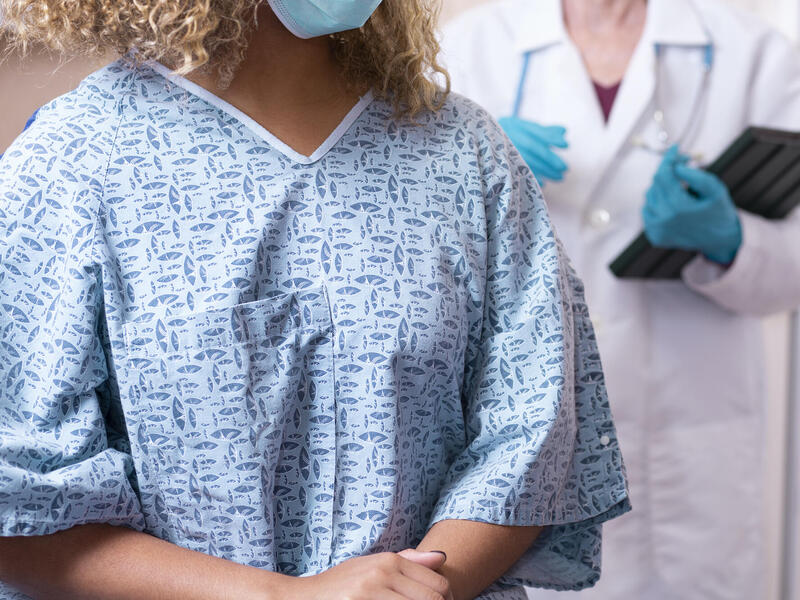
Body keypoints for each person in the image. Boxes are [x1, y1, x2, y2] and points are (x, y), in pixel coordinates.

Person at [0, 1, 630, 599]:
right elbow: (19, 512)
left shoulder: (462, 151)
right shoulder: (73, 164)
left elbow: (536, 436)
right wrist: (285, 596)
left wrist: (428, 586)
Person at [442, 0, 800, 598]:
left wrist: (732, 241)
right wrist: (463, 174)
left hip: (694, 455)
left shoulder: (753, 52)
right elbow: (411, 267)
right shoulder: (467, 51)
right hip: (523, 453)